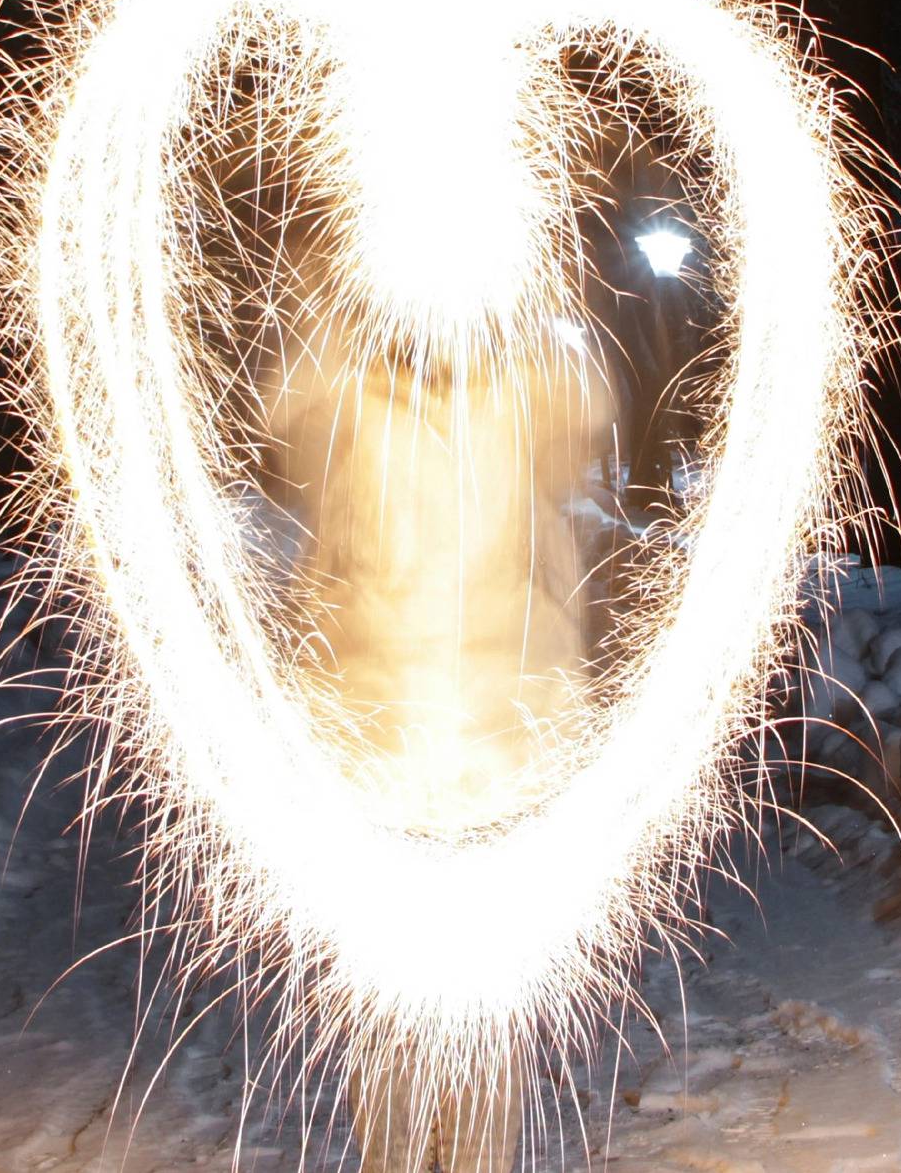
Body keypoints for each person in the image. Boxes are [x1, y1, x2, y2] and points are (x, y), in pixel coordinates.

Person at [264, 299, 613, 1172]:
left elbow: (584, 412)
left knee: (480, 1048)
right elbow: (286, 424)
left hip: (493, 780)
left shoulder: (523, 401)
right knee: (394, 1044)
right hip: (386, 785)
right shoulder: (354, 408)